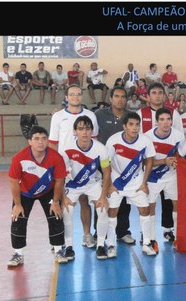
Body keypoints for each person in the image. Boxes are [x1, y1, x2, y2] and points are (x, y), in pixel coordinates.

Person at [7, 126, 68, 267]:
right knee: (17, 218)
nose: (40, 142)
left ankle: (59, 250)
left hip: (47, 190)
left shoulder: (56, 157)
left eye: (44, 139)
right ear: (29, 141)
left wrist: (56, 202)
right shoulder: (19, 158)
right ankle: (18, 254)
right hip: (25, 192)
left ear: (47, 141)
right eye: (36, 139)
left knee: (56, 215)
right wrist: (17, 204)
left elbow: (59, 181)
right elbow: (14, 182)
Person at [49, 85, 99, 248]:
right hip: (64, 168)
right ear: (66, 97)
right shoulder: (58, 116)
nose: (75, 97)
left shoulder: (90, 115)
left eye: (78, 94)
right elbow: (53, 144)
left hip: (84, 167)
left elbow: (95, 142)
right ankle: (63, 241)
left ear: (82, 96)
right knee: (64, 203)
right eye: (72, 95)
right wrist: (53, 168)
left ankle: (87, 235)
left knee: (84, 201)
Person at [105, 112, 157, 256]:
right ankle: (110, 245)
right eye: (131, 125)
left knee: (145, 210)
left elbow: (150, 160)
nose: (135, 128)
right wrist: (109, 184)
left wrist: (144, 183)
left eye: (137, 125)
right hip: (117, 183)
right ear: (124, 126)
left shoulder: (145, 141)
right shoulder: (113, 140)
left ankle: (146, 243)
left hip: (137, 183)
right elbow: (105, 163)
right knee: (112, 212)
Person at [137, 82, 183, 242]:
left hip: (170, 172)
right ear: (148, 96)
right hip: (150, 170)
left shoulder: (175, 115)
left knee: (171, 202)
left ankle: (170, 230)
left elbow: (179, 145)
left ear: (164, 95)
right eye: (154, 92)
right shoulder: (140, 114)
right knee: (149, 205)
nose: (157, 95)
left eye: (160, 92)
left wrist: (176, 161)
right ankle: (148, 236)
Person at [59, 116, 111, 260]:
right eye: (81, 129)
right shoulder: (66, 149)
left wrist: (103, 196)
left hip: (93, 183)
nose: (84, 132)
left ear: (91, 131)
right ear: (75, 131)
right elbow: (59, 175)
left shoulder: (100, 148)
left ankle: (100, 245)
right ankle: (69, 246)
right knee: (67, 210)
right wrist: (63, 197)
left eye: (87, 128)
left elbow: (107, 172)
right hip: (73, 184)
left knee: (102, 208)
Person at [95, 86, 135, 245]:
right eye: (116, 96)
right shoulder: (99, 115)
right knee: (102, 198)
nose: (120, 99)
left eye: (123, 96)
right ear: (111, 98)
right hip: (103, 164)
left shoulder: (131, 116)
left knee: (123, 200)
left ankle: (123, 232)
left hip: (123, 165)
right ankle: (100, 233)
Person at [145, 108, 185, 247]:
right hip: (152, 177)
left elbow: (181, 156)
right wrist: (163, 161)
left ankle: (178, 236)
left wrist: (176, 162)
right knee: (150, 206)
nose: (166, 122)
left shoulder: (179, 136)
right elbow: (145, 162)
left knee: (177, 204)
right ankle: (150, 238)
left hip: (171, 176)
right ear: (156, 122)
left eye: (168, 119)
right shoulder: (147, 137)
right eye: (162, 119)